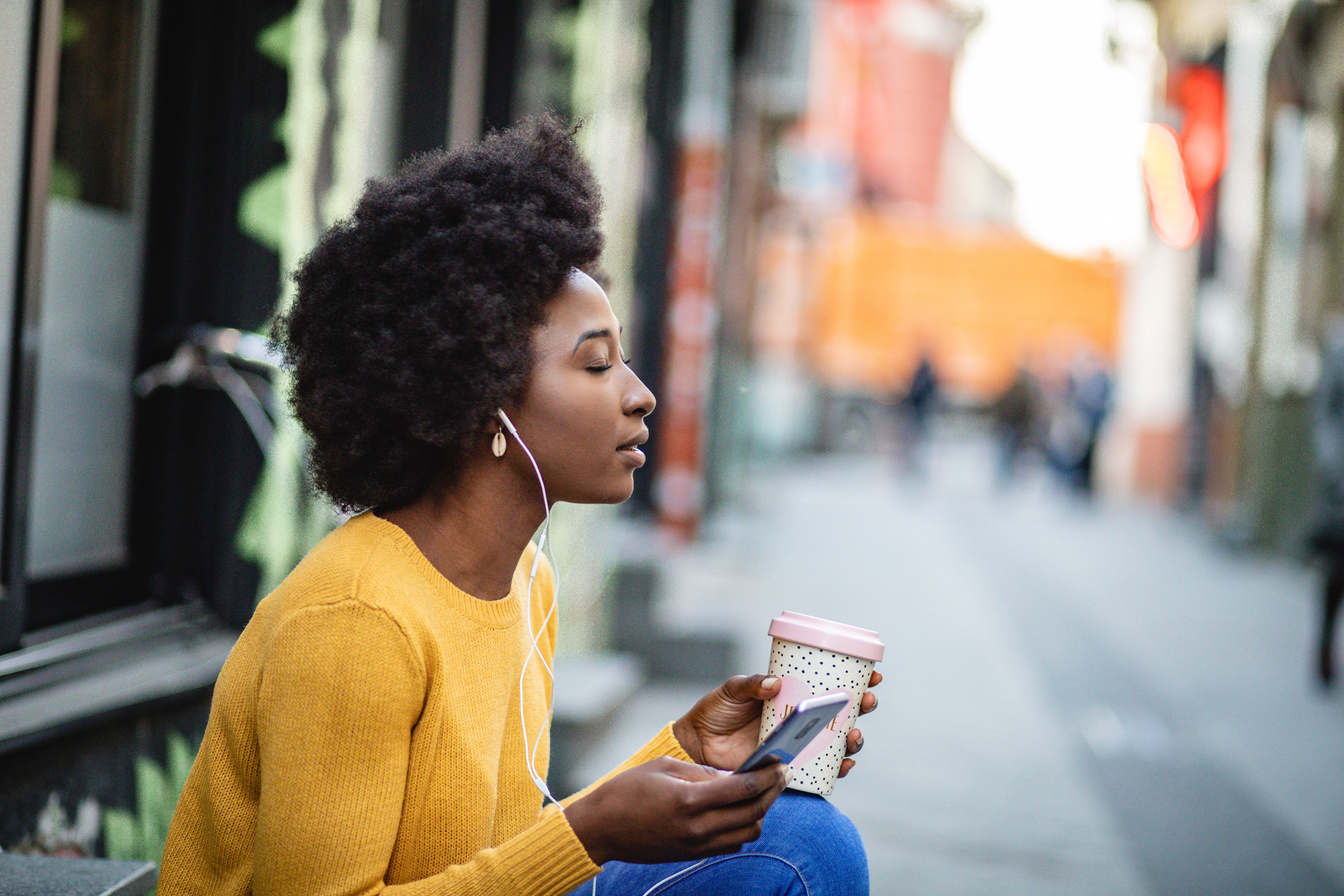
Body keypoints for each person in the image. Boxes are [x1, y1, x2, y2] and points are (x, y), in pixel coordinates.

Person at [157, 115, 878, 895]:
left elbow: (497, 856)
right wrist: (591, 830)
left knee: (807, 837)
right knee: (803, 853)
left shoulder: (524, 581)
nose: (641, 397)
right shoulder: (355, 622)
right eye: (597, 364)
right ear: (484, 395)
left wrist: (687, 751)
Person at [1309, 320, 1344, 688]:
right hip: (1342, 485)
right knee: (1337, 571)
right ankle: (1325, 643)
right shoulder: (1340, 347)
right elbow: (1325, 413)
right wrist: (1333, 464)